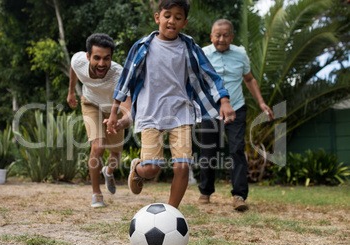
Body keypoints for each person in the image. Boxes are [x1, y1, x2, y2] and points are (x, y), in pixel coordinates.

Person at [106, 0, 236, 209]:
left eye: (178, 17)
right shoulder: (141, 47)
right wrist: (114, 112)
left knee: (182, 166)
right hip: (150, 113)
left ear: (184, 22)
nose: (172, 21)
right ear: (158, 17)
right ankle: (137, 169)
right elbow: (125, 81)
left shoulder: (189, 47)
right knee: (151, 170)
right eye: (167, 15)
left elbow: (211, 75)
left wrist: (225, 101)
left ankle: (171, 212)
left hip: (181, 113)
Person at [198, 19, 274, 211]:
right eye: (218, 35)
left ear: (232, 37)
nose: (221, 39)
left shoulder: (240, 54)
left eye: (225, 35)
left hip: (236, 108)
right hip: (210, 109)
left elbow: (249, 79)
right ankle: (205, 192)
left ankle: (239, 195)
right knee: (208, 151)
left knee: (237, 149)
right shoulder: (203, 54)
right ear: (211, 36)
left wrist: (261, 102)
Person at [67, 33, 131, 208]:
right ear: (88, 56)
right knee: (98, 146)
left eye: (106, 58)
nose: (102, 64)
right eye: (97, 58)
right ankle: (96, 193)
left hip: (114, 109)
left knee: (116, 155)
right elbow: (73, 67)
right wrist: (71, 91)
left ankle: (108, 172)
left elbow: (129, 107)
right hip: (91, 103)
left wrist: (122, 120)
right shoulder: (79, 61)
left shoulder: (119, 74)